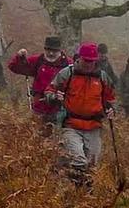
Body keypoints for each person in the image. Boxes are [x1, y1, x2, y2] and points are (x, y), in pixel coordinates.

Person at [46, 43, 117, 187]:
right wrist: (54, 97)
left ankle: (84, 192)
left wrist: (111, 109)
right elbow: (49, 90)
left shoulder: (102, 77)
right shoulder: (68, 73)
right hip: (71, 124)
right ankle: (75, 191)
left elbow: (109, 98)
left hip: (94, 126)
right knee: (79, 160)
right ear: (79, 58)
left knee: (92, 164)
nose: (89, 64)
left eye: (92, 61)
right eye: (86, 60)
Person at [9, 37, 73, 124]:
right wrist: (19, 57)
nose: (51, 53)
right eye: (48, 50)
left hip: (61, 108)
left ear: (60, 50)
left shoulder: (68, 64)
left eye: (54, 51)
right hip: (39, 107)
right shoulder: (38, 60)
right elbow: (15, 67)